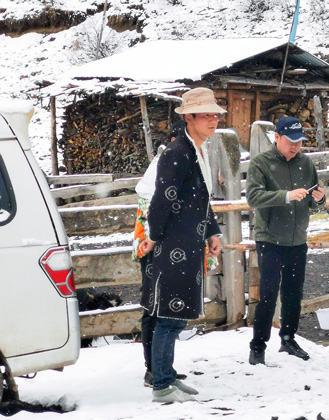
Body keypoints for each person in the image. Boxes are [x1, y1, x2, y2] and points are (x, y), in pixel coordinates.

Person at [139, 87, 224, 403]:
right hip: (172, 245)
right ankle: (161, 384)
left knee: (177, 315)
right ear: (189, 118)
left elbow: (200, 199)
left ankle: (168, 374)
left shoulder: (196, 150)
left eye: (215, 115)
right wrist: (154, 237)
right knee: (168, 316)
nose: (213, 120)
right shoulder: (177, 153)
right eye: (205, 115)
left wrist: (212, 232)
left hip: (188, 243)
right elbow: (163, 199)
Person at [246, 116, 326, 366]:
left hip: (297, 240)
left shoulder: (306, 163)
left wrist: (320, 199)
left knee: (294, 293)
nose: (295, 146)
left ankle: (289, 339)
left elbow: (313, 200)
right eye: (290, 141)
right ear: (277, 138)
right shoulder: (260, 163)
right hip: (270, 239)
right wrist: (285, 196)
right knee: (268, 293)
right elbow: (253, 197)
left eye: (299, 142)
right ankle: (258, 345)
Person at [132, 121, 187, 389]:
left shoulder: (174, 161)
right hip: (153, 244)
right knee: (154, 307)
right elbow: (155, 203)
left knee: (163, 307)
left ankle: (162, 367)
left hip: (161, 243)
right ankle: (153, 369)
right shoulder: (165, 162)